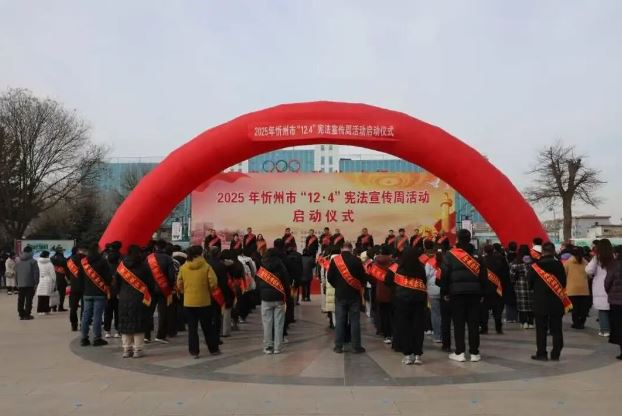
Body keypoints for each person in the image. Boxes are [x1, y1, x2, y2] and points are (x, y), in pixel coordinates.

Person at [441, 229, 486, 362]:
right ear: (470, 238)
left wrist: (445, 292)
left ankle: (460, 352)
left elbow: (444, 275)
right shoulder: (477, 255)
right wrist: (483, 292)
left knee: (458, 323)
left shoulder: (450, 255)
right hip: (475, 294)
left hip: (457, 294)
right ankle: (474, 353)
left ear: (457, 239)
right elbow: (484, 276)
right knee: (473, 324)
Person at [384, 247, 427, 365]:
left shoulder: (397, 267)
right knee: (418, 327)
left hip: (401, 301)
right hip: (419, 301)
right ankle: (418, 355)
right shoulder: (421, 267)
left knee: (405, 327)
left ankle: (408, 355)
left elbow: (387, 281)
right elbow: (424, 282)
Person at [527, 242, 569, 361]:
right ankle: (556, 354)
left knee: (541, 329)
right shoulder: (559, 265)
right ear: (553, 251)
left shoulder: (535, 266)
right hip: (556, 301)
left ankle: (542, 353)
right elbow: (563, 282)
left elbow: (529, 283)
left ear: (542, 252)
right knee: (557, 329)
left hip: (540, 301)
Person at [177, 245, 221, 358]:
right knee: (207, 327)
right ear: (200, 253)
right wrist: (208, 290)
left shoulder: (183, 267)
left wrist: (185, 292)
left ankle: (194, 352)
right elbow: (213, 283)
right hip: (204, 302)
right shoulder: (206, 266)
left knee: (192, 329)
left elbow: (179, 283)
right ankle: (213, 349)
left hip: (188, 302)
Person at [115, 245, 155, 358]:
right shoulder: (144, 266)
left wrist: (119, 293)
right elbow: (151, 284)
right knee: (139, 324)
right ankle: (138, 350)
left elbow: (116, 284)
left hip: (124, 298)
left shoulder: (121, 266)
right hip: (140, 299)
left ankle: (126, 349)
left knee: (125, 324)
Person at [327, 242, 367, 354]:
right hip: (354, 295)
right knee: (355, 321)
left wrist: (338, 286)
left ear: (341, 249)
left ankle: (338, 346)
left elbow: (329, 277)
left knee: (340, 321)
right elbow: (363, 278)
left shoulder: (335, 261)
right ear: (351, 249)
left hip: (340, 295)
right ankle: (356, 346)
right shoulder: (357, 260)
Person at [257, 248, 290, 354]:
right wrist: (287, 297)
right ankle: (277, 348)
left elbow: (258, 283)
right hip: (279, 299)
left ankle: (268, 347)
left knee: (267, 324)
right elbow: (286, 283)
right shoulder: (281, 266)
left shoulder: (262, 266)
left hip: (266, 299)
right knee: (279, 324)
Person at [80, 243, 112, 347]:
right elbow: (108, 277)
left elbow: (79, 277)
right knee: (97, 316)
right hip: (99, 292)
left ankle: (84, 338)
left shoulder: (84, 262)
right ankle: (97, 338)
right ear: (98, 249)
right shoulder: (102, 261)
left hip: (87, 292)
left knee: (85, 316)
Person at [586, 239, 613, 337]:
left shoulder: (597, 258)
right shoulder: (614, 257)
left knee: (602, 310)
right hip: (612, 286)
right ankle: (613, 329)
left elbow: (588, 270)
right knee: (612, 310)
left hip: (600, 287)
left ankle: (605, 330)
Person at [480, 245, 506, 335]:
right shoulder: (500, 260)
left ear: (484, 251)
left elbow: (480, 275)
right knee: (497, 309)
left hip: (486, 289)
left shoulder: (482, 261)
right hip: (498, 287)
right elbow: (505, 274)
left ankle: (484, 328)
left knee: (484, 310)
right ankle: (498, 328)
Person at [564, 246, 590, 329]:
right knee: (583, 308)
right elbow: (589, 275)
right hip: (584, 289)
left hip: (572, 289)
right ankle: (581, 322)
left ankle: (576, 323)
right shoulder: (586, 262)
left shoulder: (567, 263)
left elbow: (564, 274)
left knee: (575, 308)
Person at [373, 244, 394, 344]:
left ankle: (386, 335)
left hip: (380, 291)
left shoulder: (376, 262)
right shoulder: (393, 262)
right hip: (392, 290)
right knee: (392, 313)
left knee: (383, 314)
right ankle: (393, 333)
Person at [604, 245, 622, 359]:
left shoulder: (614, 265)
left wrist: (610, 293)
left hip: (616, 302)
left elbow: (607, 282)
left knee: (619, 326)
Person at [511, 245, 535, 329]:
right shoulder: (533, 262)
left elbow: (512, 274)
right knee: (531, 304)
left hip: (520, 285)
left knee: (522, 304)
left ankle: (523, 322)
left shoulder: (516, 262)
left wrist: (514, 280)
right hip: (532, 285)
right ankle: (531, 322)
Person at [424, 241, 443, 344]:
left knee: (435, 314)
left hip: (433, 291)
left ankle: (437, 336)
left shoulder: (429, 262)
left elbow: (425, 275)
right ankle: (445, 336)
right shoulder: (446, 260)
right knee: (445, 314)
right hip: (445, 290)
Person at [104, 242, 122, 338]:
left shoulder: (106, 264)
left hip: (108, 291)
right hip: (118, 291)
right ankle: (118, 330)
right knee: (118, 311)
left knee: (108, 311)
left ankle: (107, 331)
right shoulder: (121, 265)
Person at [15, 246, 39, 320]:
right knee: (29, 299)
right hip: (30, 283)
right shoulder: (33, 261)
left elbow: (16, 273)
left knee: (21, 299)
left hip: (21, 283)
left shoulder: (18, 261)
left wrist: (17, 283)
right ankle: (27, 315)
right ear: (30, 252)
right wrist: (36, 283)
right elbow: (36, 273)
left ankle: (21, 314)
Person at [67, 247, 86, 331]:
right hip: (84, 286)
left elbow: (67, 273)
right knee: (84, 307)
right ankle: (83, 324)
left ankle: (73, 325)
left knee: (73, 307)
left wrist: (71, 280)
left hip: (74, 286)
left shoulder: (69, 260)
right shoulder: (85, 259)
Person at [35, 251, 56, 315]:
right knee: (46, 296)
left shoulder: (38, 263)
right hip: (48, 280)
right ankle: (46, 310)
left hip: (40, 279)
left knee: (40, 295)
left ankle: (40, 310)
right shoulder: (50, 264)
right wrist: (54, 281)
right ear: (47, 256)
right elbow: (53, 274)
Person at [51, 247, 68, 312]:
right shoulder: (64, 259)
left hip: (54, 277)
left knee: (55, 292)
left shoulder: (51, 258)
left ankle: (54, 307)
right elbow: (67, 269)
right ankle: (60, 307)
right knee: (62, 293)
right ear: (61, 252)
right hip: (62, 277)